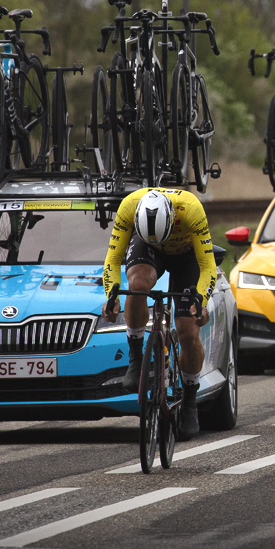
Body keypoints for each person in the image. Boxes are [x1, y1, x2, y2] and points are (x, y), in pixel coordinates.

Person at [101, 187, 216, 441]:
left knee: (187, 330)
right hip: (147, 246)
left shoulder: (191, 209)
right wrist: (111, 295)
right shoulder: (130, 206)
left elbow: (208, 266)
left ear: (173, 218)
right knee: (137, 286)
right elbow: (112, 259)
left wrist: (202, 300)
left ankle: (189, 399)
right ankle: (135, 357)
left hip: (186, 256)